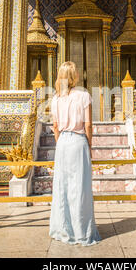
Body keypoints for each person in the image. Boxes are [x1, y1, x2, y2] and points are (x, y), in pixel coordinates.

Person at [49, 61, 101, 246]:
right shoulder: (83, 95)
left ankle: (64, 230)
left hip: (62, 142)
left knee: (62, 187)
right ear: (74, 76)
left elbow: (55, 126)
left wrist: (61, 142)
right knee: (80, 187)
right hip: (79, 142)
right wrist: (89, 144)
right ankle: (82, 232)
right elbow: (88, 125)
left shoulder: (55, 98)